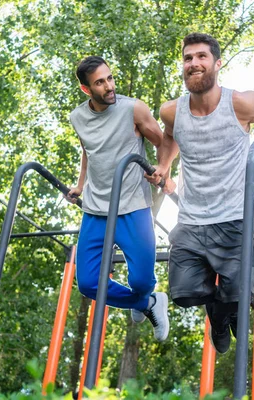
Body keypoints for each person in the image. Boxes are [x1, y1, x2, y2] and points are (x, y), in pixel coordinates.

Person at [147, 33, 254, 353]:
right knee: (184, 294)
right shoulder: (172, 110)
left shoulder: (240, 102)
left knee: (236, 294)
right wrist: (165, 166)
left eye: (201, 57)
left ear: (217, 63)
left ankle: (228, 313)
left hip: (235, 218)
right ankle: (222, 311)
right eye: (188, 58)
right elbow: (170, 137)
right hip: (191, 219)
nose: (194, 63)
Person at [65, 56, 170, 341]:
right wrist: (80, 184)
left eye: (110, 78)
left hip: (133, 206)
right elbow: (90, 150)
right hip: (96, 210)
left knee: (139, 281)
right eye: (100, 82)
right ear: (87, 90)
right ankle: (147, 303)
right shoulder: (77, 117)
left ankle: (143, 295)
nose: (109, 86)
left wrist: (162, 170)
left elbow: (164, 142)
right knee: (87, 283)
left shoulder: (133, 109)